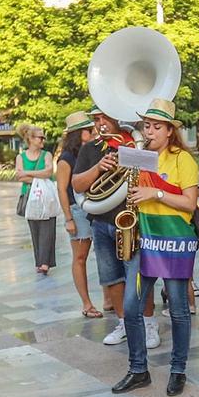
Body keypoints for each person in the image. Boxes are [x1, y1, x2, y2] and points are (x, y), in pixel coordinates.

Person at [109, 100, 199, 396]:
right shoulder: (139, 157)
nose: (149, 131)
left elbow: (189, 203)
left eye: (156, 126)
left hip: (174, 239)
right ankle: (138, 369)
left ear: (170, 131)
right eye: (146, 125)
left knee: (178, 309)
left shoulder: (182, 160)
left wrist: (156, 192)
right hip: (143, 239)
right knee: (132, 307)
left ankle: (178, 369)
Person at [73, 108, 157, 349]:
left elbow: (151, 176)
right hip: (102, 222)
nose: (99, 124)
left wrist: (132, 157)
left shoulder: (135, 145)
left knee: (140, 277)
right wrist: (99, 168)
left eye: (103, 119)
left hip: (133, 218)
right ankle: (124, 323)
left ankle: (149, 323)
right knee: (112, 278)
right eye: (96, 120)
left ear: (117, 118)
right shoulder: (91, 149)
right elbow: (77, 185)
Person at [55, 111, 102, 318]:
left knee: (102, 253)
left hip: (94, 206)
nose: (93, 132)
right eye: (89, 130)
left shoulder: (90, 151)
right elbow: (61, 189)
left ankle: (109, 298)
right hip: (78, 209)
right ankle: (86, 303)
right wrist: (68, 219)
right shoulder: (66, 158)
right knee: (80, 257)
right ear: (78, 133)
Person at [16, 125, 59, 276]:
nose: (43, 140)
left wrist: (28, 173)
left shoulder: (46, 154)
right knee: (34, 229)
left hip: (45, 196)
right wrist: (37, 175)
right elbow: (19, 176)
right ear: (31, 139)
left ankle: (46, 263)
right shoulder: (21, 157)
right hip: (29, 196)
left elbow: (48, 172)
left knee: (48, 227)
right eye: (40, 137)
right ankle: (39, 262)